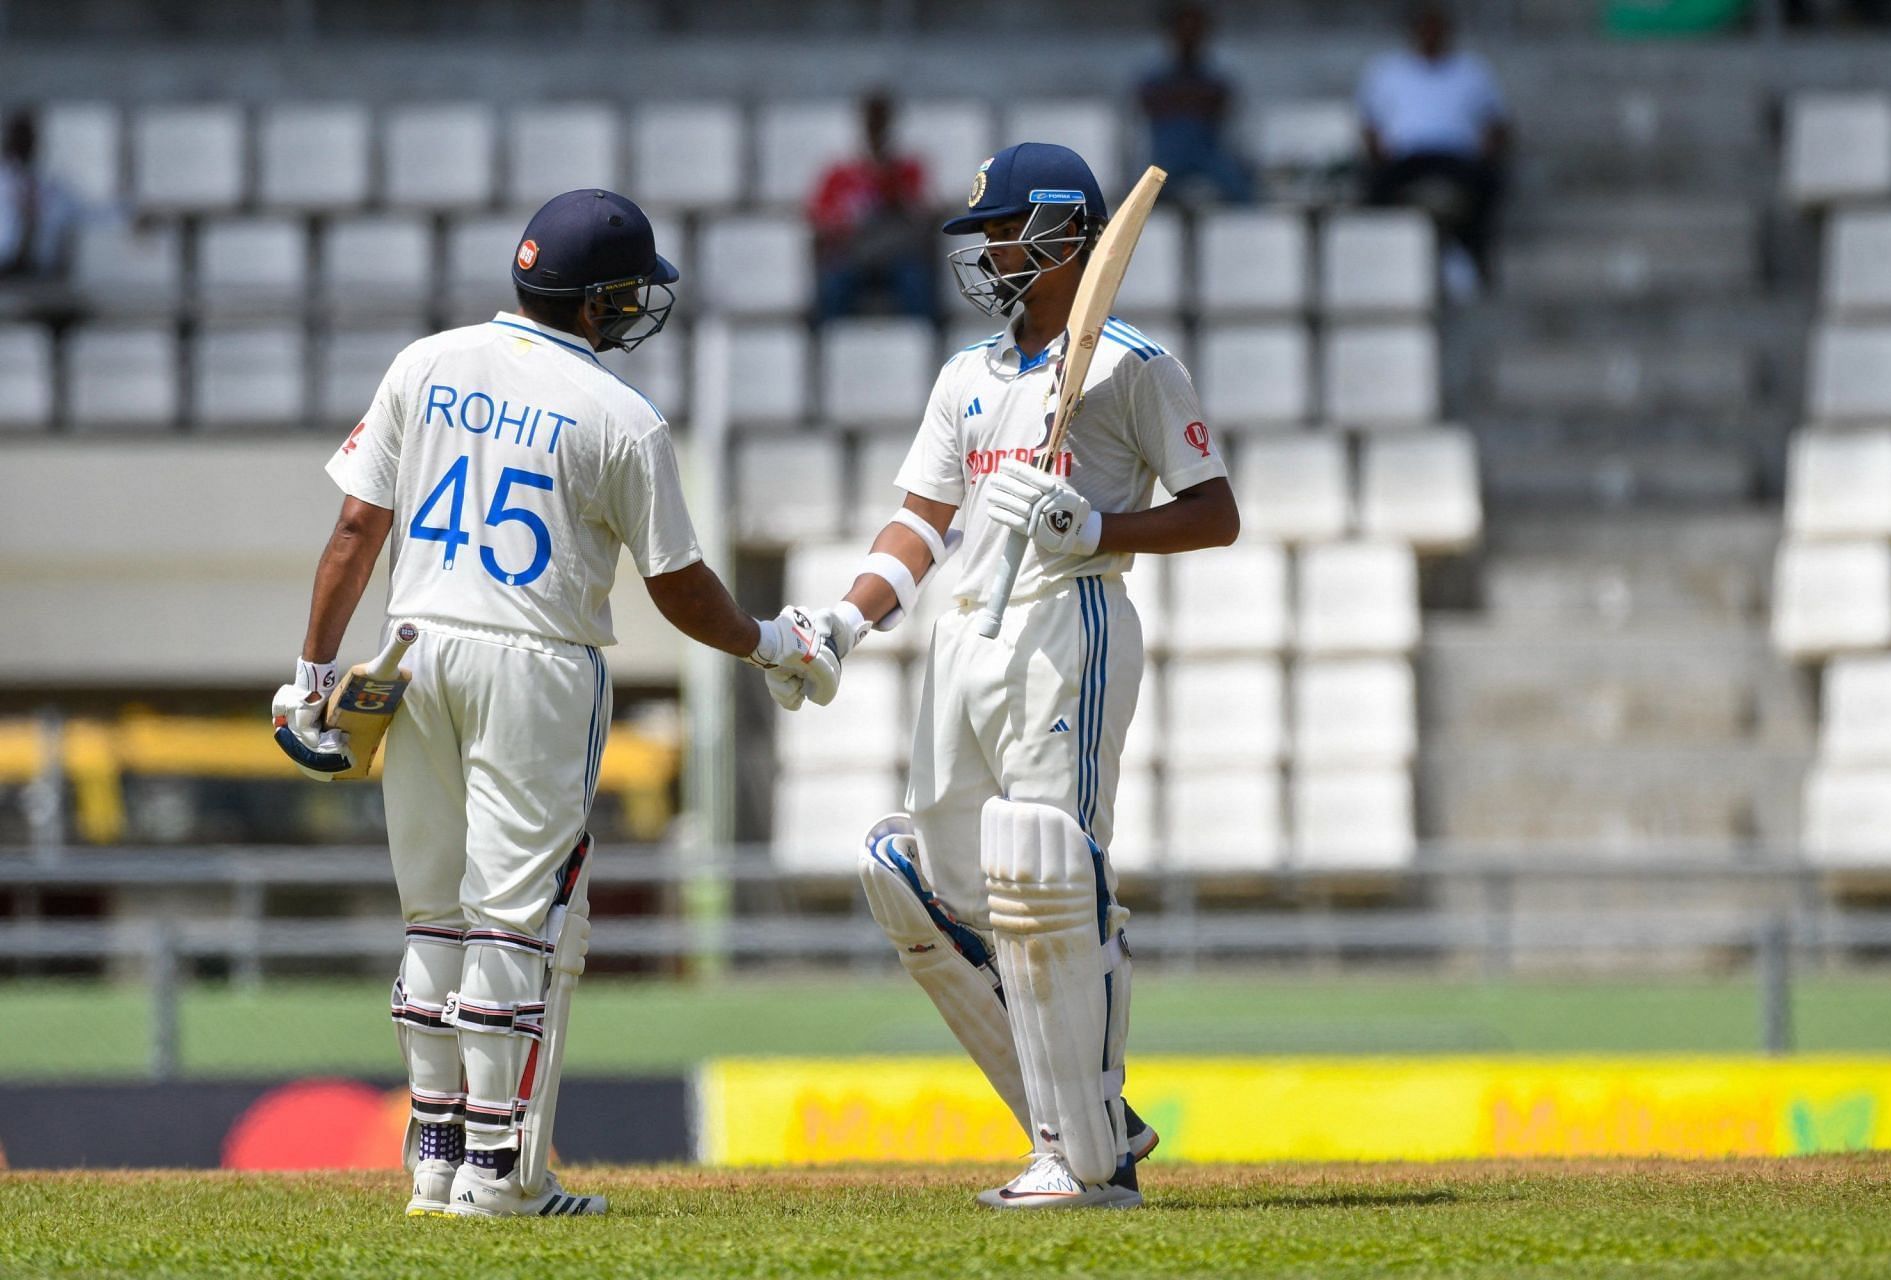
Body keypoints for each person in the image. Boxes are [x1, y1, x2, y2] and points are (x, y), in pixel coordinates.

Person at [271, 188, 839, 1219]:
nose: (636, 310)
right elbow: (678, 586)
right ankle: (500, 1173)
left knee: (432, 917)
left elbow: (356, 529)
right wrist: (769, 643)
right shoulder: (624, 417)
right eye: (628, 294)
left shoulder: (426, 362)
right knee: (512, 924)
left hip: (415, 646)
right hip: (537, 660)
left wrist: (313, 677)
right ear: (596, 302)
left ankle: (435, 1159)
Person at [771, 143, 1240, 1209]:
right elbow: (923, 522)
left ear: (1066, 235)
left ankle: (1084, 1156)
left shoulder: (1134, 365)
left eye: (1002, 232)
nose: (984, 253)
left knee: (1050, 871)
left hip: (1065, 622)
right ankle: (1089, 1112)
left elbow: (1217, 512)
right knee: (913, 876)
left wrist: (1099, 526)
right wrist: (845, 620)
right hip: (964, 640)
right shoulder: (966, 377)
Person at [1358, 2, 1511, 297]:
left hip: (1457, 156)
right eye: (1424, 28)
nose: (1430, 35)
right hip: (1407, 157)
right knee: (1373, 189)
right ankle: (1379, 265)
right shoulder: (1387, 71)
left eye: (1436, 28)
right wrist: (1378, 154)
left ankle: (1475, 257)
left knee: (1489, 185)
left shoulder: (1472, 71)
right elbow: (1370, 126)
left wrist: (1487, 151)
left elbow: (1498, 125)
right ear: (1413, 33)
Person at [808, 92, 939, 323]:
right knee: (833, 288)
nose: (876, 128)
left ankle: (928, 345)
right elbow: (821, 219)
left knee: (916, 284)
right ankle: (824, 350)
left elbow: (924, 215)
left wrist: (894, 192)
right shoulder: (840, 173)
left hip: (898, 255)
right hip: (853, 255)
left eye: (881, 121)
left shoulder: (907, 169)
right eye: (872, 121)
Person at [1137, 2, 1255, 205]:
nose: (1189, 34)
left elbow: (1237, 127)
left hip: (1209, 156)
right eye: (1183, 27)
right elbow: (1135, 130)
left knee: (1242, 190)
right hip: (1165, 159)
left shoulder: (1219, 80)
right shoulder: (1150, 80)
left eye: (1195, 28)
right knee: (1140, 195)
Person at [0, 109, 83, 281]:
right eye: (19, 139)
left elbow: (82, 211)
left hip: (40, 269)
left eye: (27, 139)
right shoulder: (5, 181)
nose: (24, 144)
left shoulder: (48, 184)